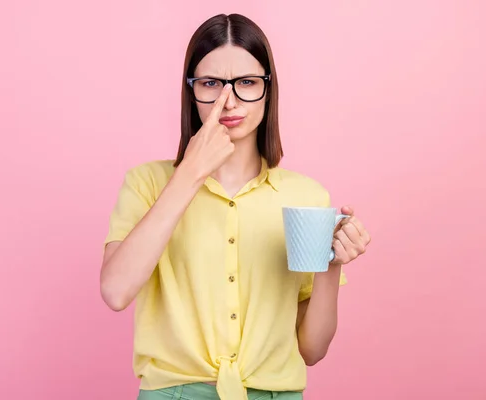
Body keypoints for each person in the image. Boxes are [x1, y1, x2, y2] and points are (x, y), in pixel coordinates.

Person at [100, 13, 371, 400]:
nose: (228, 101)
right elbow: (115, 291)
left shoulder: (307, 197)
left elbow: (312, 350)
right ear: (191, 91)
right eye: (210, 83)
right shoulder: (147, 183)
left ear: (268, 89)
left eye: (247, 83)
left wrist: (332, 264)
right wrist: (189, 175)